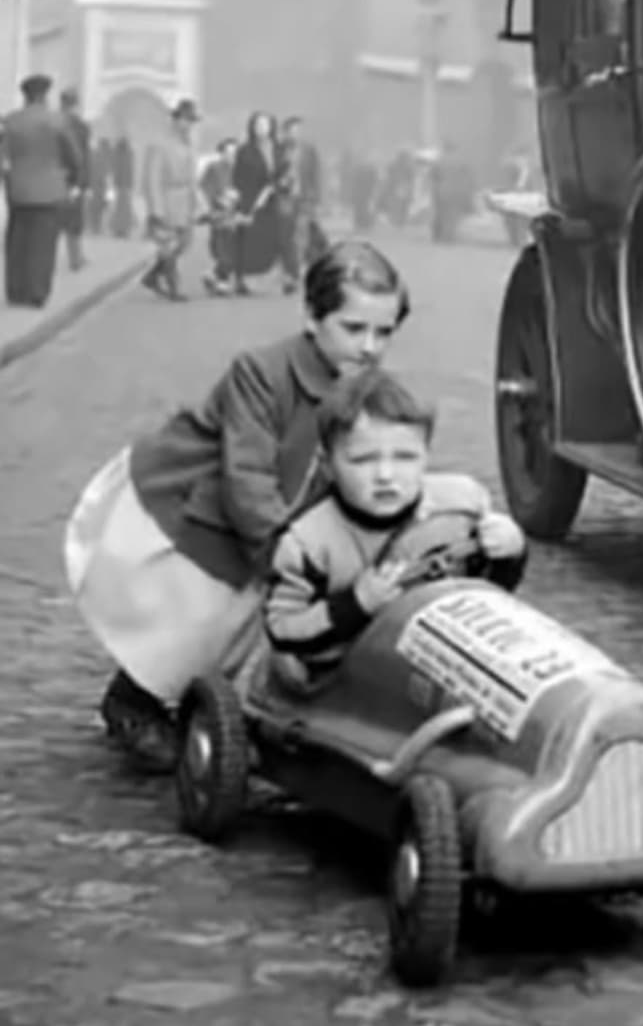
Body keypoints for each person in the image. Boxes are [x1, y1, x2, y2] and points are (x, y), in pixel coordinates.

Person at [63, 240, 413, 772]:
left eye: (383, 332)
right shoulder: (262, 373)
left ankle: (206, 703)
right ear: (313, 318)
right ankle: (133, 700)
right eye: (354, 328)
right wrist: (288, 550)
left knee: (237, 628)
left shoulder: (367, 390)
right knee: (188, 622)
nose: (369, 346)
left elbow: (376, 460)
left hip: (282, 528)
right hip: (208, 508)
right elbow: (246, 473)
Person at [264, 369, 527, 694]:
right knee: (294, 674)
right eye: (363, 460)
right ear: (328, 465)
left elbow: (493, 594)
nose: (386, 475)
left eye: (405, 457)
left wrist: (510, 552)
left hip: (447, 658)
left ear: (426, 456)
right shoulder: (307, 541)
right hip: (346, 675)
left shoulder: (463, 503)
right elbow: (280, 627)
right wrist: (356, 604)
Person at [2, 73, 82, 308]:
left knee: (17, 241)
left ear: (25, 96)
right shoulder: (57, 121)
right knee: (43, 244)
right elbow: (73, 156)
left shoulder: (11, 121)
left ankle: (16, 290)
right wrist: (73, 180)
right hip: (50, 191)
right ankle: (36, 292)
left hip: (17, 189)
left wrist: (8, 179)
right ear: (44, 95)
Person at [140, 99, 202, 301]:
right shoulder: (160, 144)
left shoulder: (188, 145)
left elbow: (193, 178)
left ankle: (152, 275)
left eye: (191, 121)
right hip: (167, 199)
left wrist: (197, 203)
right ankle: (174, 286)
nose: (188, 125)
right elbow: (152, 178)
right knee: (167, 244)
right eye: (185, 120)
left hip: (183, 200)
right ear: (175, 120)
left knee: (184, 243)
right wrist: (156, 208)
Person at [233, 111, 283, 295]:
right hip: (251, 199)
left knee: (273, 238)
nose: (261, 128)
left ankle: (272, 276)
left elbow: (284, 171)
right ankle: (241, 279)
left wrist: (276, 186)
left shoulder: (279, 149)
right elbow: (238, 178)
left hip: (274, 199)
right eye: (258, 125)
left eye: (265, 124)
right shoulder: (245, 151)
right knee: (246, 241)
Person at [277, 115, 323, 295]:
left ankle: (295, 274)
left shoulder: (309, 150)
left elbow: (315, 174)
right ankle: (289, 272)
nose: (296, 134)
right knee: (286, 237)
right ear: (286, 132)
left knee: (300, 236)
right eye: (292, 130)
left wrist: (316, 197)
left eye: (299, 130)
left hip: (304, 198)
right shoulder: (279, 150)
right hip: (285, 199)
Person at [200, 137, 241, 296]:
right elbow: (205, 187)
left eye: (234, 153)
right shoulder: (214, 168)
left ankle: (216, 278)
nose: (232, 156)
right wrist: (216, 200)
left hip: (237, 215)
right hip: (219, 215)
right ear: (221, 153)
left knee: (235, 251)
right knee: (223, 249)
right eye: (228, 152)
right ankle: (217, 279)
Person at [58, 88, 91, 272]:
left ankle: (73, 258)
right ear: (75, 104)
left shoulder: (53, 123)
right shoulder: (81, 126)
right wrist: (85, 182)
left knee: (52, 219)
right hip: (75, 180)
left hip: (56, 177)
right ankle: (76, 258)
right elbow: (85, 157)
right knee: (75, 220)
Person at [110, 133, 136, 239]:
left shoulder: (125, 153)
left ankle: (122, 229)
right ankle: (120, 229)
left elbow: (128, 169)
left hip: (123, 185)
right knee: (121, 209)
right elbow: (118, 169)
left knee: (123, 209)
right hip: (121, 185)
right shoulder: (122, 154)